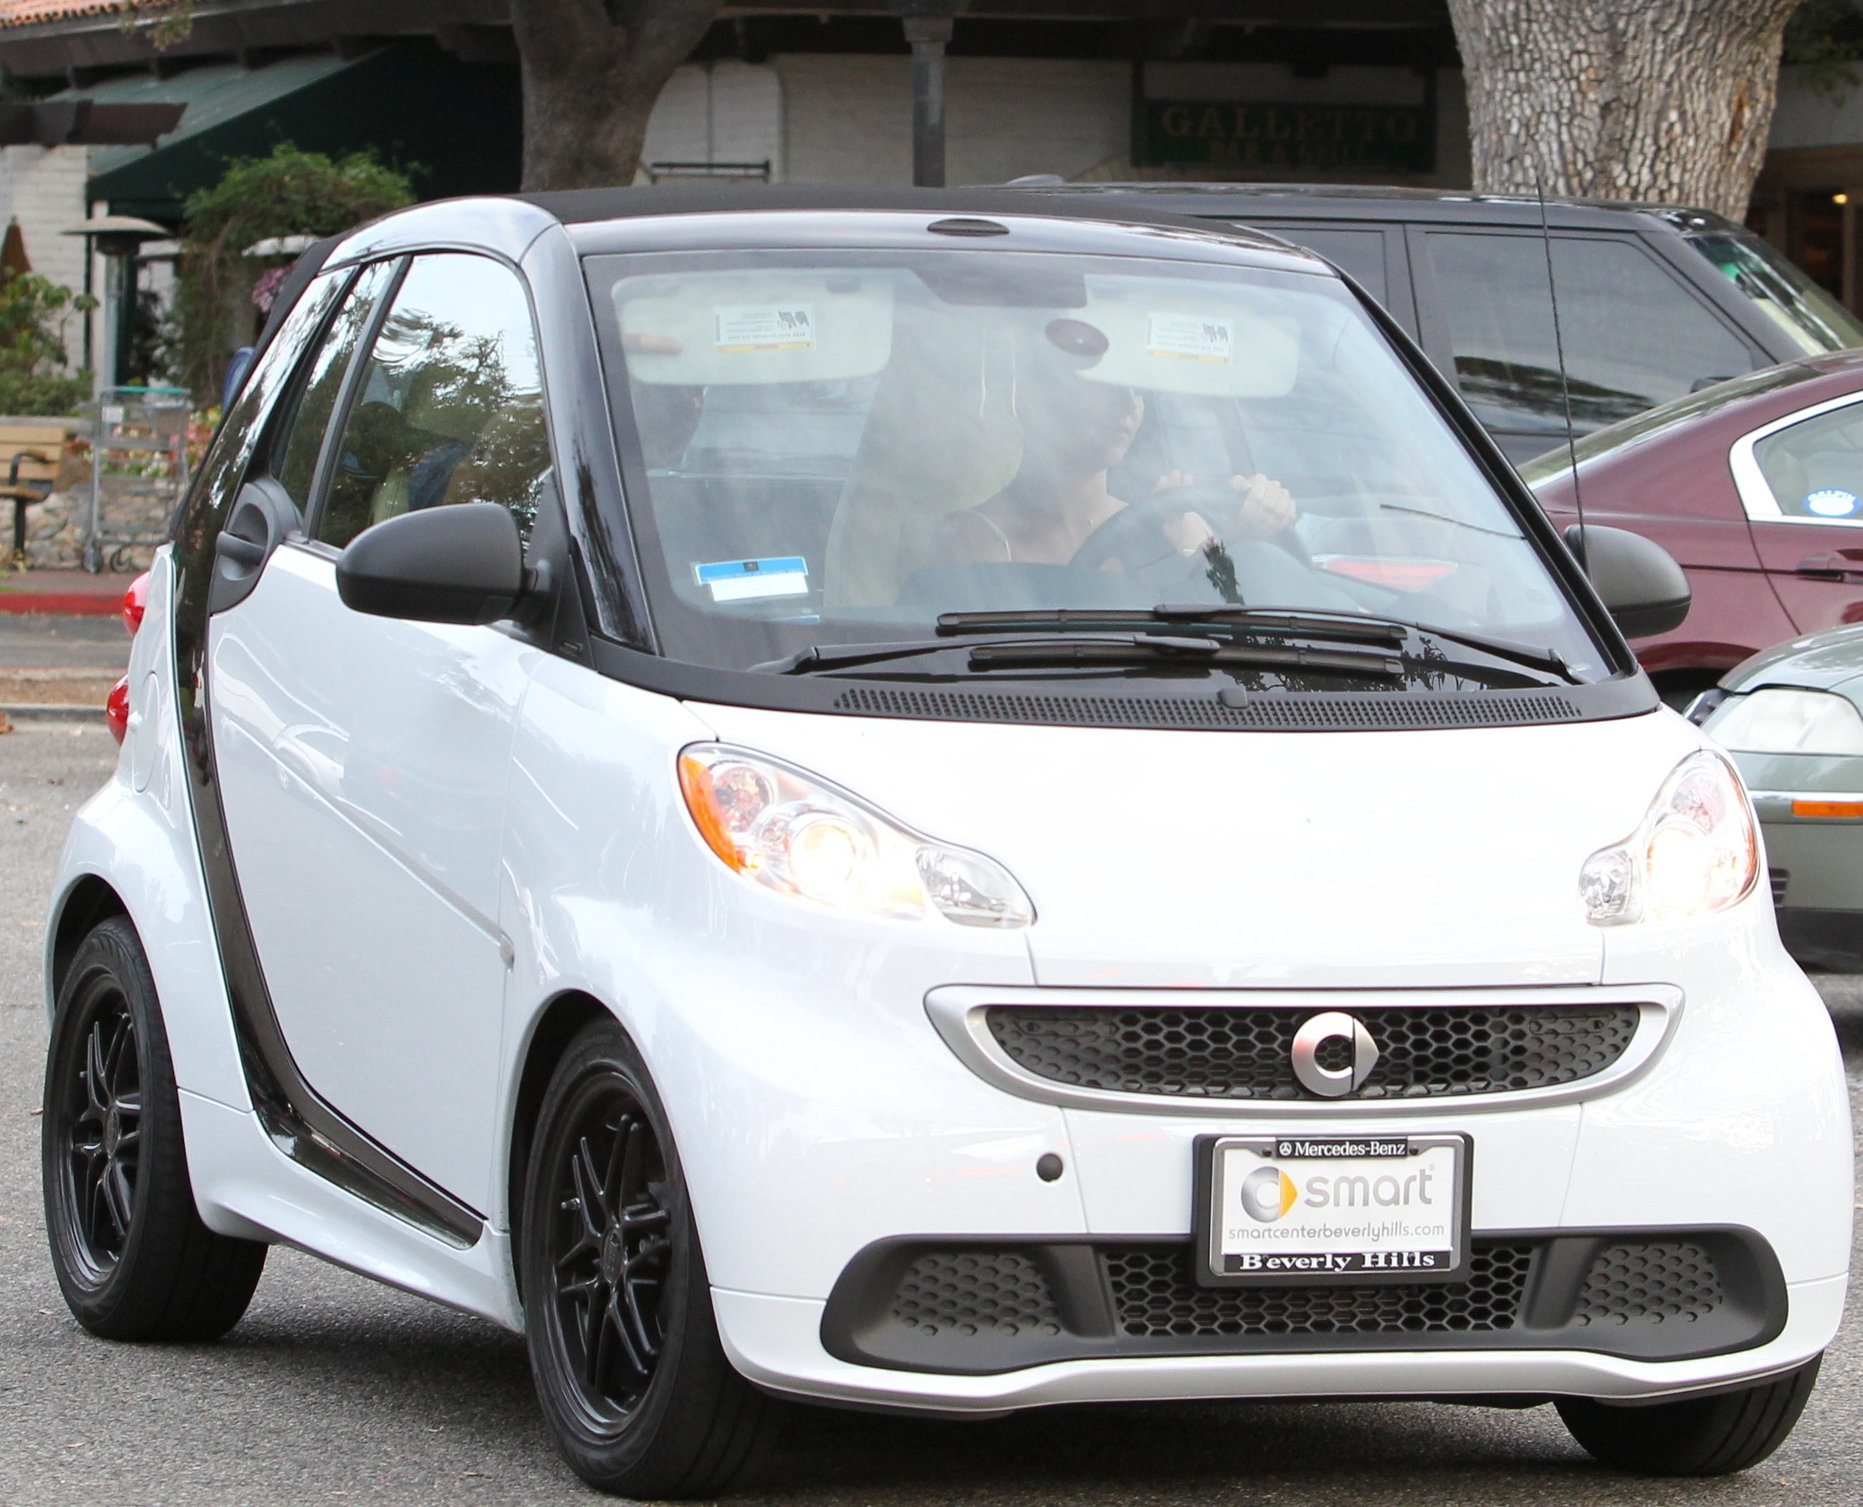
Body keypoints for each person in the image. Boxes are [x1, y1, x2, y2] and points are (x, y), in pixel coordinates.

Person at [935, 360, 1295, 569]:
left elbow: (1223, 631)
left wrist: (1234, 541)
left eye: (1137, 390)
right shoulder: (973, 536)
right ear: (1041, 397)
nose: (1129, 405)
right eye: (1104, 387)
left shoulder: (1160, 527)